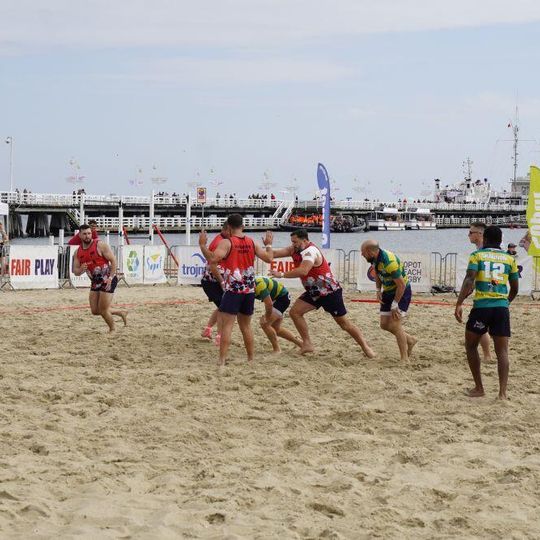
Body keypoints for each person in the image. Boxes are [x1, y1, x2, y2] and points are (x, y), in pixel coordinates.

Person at [269, 229, 375, 358]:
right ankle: (307, 344)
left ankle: (365, 347)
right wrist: (266, 246)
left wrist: (281, 274)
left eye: (295, 242)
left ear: (304, 240)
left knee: (344, 324)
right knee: (295, 313)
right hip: (314, 292)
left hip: (329, 291)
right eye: (292, 242)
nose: (293, 244)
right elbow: (273, 254)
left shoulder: (310, 251)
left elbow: (303, 270)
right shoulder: (294, 249)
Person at [199, 214, 273, 366]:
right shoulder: (252, 242)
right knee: (246, 326)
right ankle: (250, 358)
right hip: (249, 290)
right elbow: (269, 258)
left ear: (229, 227)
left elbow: (212, 259)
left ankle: (222, 360)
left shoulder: (227, 242)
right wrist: (269, 244)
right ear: (242, 226)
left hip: (233, 289)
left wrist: (202, 245)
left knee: (227, 326)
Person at [454, 226, 519, 399]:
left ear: (486, 239)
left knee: (470, 346)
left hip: (481, 307)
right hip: (501, 308)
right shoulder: (509, 259)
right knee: (502, 352)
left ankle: (479, 388)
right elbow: (515, 288)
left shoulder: (477, 255)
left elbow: (469, 280)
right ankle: (502, 393)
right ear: (500, 240)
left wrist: (459, 303)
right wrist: (506, 302)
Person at [360, 240, 417, 362]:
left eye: (363, 252)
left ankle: (404, 359)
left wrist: (395, 304)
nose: (361, 254)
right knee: (384, 324)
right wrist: (378, 290)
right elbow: (377, 274)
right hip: (388, 291)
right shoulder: (374, 259)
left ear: (371, 252)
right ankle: (410, 340)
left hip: (401, 292)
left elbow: (401, 285)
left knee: (395, 324)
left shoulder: (389, 262)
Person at [72, 224, 127, 332]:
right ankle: (121, 312)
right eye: (84, 234)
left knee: (103, 310)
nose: (87, 236)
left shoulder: (100, 245)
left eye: (89, 233)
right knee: (95, 311)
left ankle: (112, 329)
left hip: (108, 280)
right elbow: (76, 272)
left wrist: (110, 278)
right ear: (80, 235)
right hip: (95, 282)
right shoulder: (77, 252)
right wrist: (81, 269)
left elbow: (113, 261)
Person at [254, 276, 302, 352]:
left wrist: (267, 317)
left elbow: (269, 304)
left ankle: (277, 349)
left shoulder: (259, 285)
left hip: (282, 298)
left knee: (265, 324)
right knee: (276, 328)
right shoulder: (247, 287)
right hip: (278, 298)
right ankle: (301, 344)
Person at [467, 222, 493, 362]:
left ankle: (487, 355)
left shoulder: (481, 252)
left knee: (481, 327)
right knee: (485, 327)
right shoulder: (486, 249)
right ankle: (488, 355)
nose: (468, 235)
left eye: (471, 232)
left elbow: (475, 274)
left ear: (480, 234)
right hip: (492, 292)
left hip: (487, 294)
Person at [200, 224, 230, 344]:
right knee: (224, 309)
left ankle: (208, 330)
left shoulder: (221, 239)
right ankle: (219, 336)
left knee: (222, 307)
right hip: (213, 281)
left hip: (211, 280)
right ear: (226, 229)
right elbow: (213, 264)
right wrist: (222, 282)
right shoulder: (220, 242)